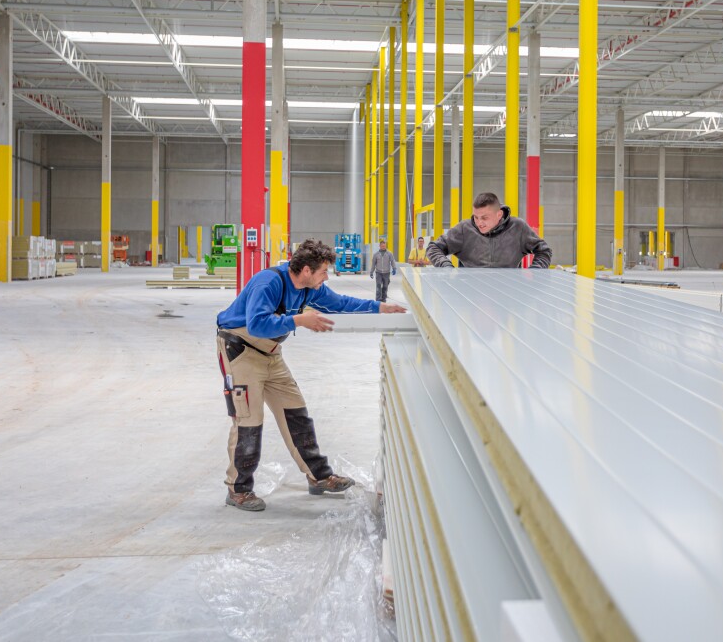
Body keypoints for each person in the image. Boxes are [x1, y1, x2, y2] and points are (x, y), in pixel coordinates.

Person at [215, 239, 405, 512]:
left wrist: (378, 307)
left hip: (270, 352)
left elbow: (339, 303)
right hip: (240, 350)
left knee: (296, 414)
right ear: (306, 270)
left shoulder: (308, 288)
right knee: (249, 421)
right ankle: (239, 490)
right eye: (323, 272)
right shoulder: (268, 283)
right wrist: (298, 320)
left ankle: (319, 476)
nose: (326, 277)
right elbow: (256, 324)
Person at [427, 192, 552, 269]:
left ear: (499, 214)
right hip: (471, 294)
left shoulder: (518, 228)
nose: (479, 223)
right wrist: (446, 266)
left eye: (484, 218)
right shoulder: (464, 229)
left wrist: (536, 271)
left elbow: (544, 250)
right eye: (476, 217)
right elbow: (434, 247)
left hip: (507, 294)